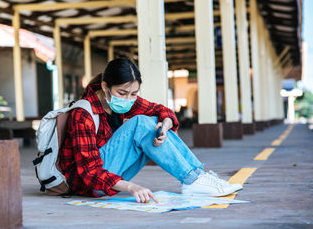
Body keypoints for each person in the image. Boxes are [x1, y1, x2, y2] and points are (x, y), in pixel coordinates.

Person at [60, 58, 242, 203]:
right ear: (105, 87)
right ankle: (192, 179)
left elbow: (163, 111)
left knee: (155, 122)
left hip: (112, 175)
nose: (128, 99)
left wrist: (165, 126)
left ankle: (196, 176)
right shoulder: (82, 114)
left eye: (134, 93)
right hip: (91, 184)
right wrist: (132, 187)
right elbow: (89, 172)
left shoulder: (127, 102)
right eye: (122, 93)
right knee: (141, 123)